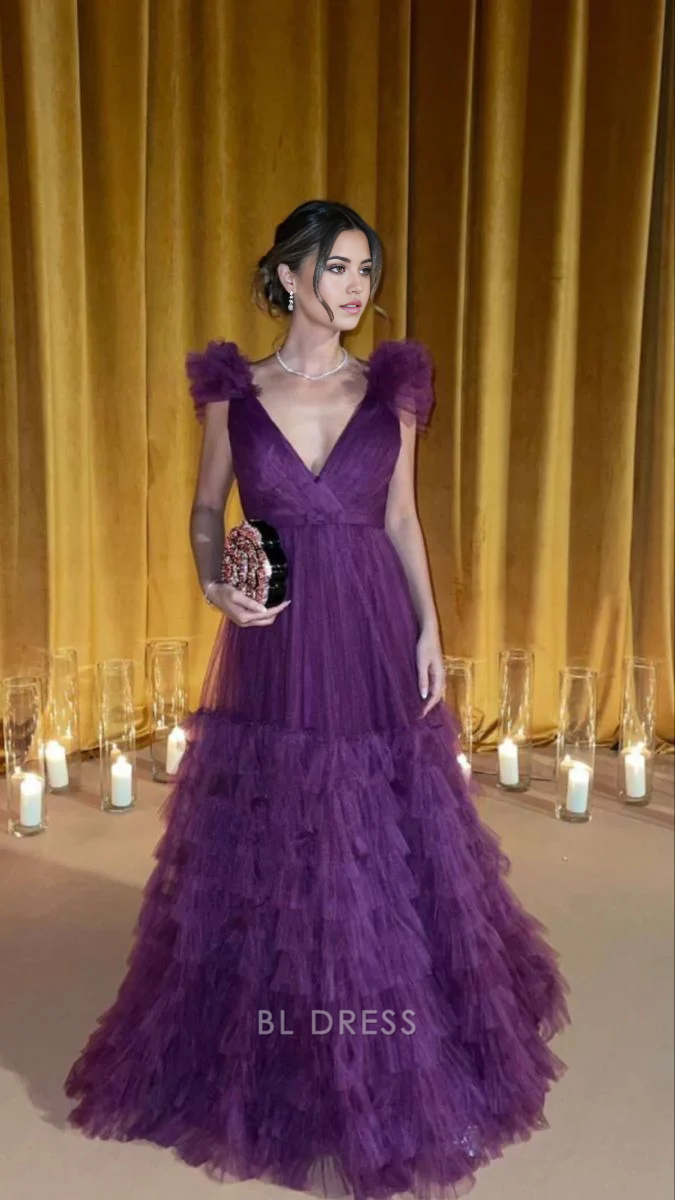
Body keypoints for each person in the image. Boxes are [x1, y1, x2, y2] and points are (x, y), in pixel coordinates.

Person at [64, 200, 571, 1200]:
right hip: (280, 635)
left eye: (364, 270)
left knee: (381, 820)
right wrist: (216, 582)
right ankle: (284, 1031)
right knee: (283, 820)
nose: (355, 286)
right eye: (337, 267)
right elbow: (206, 510)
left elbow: (401, 519)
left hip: (373, 626)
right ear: (289, 276)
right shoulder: (235, 392)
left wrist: (430, 631)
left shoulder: (391, 388)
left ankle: (390, 1025)